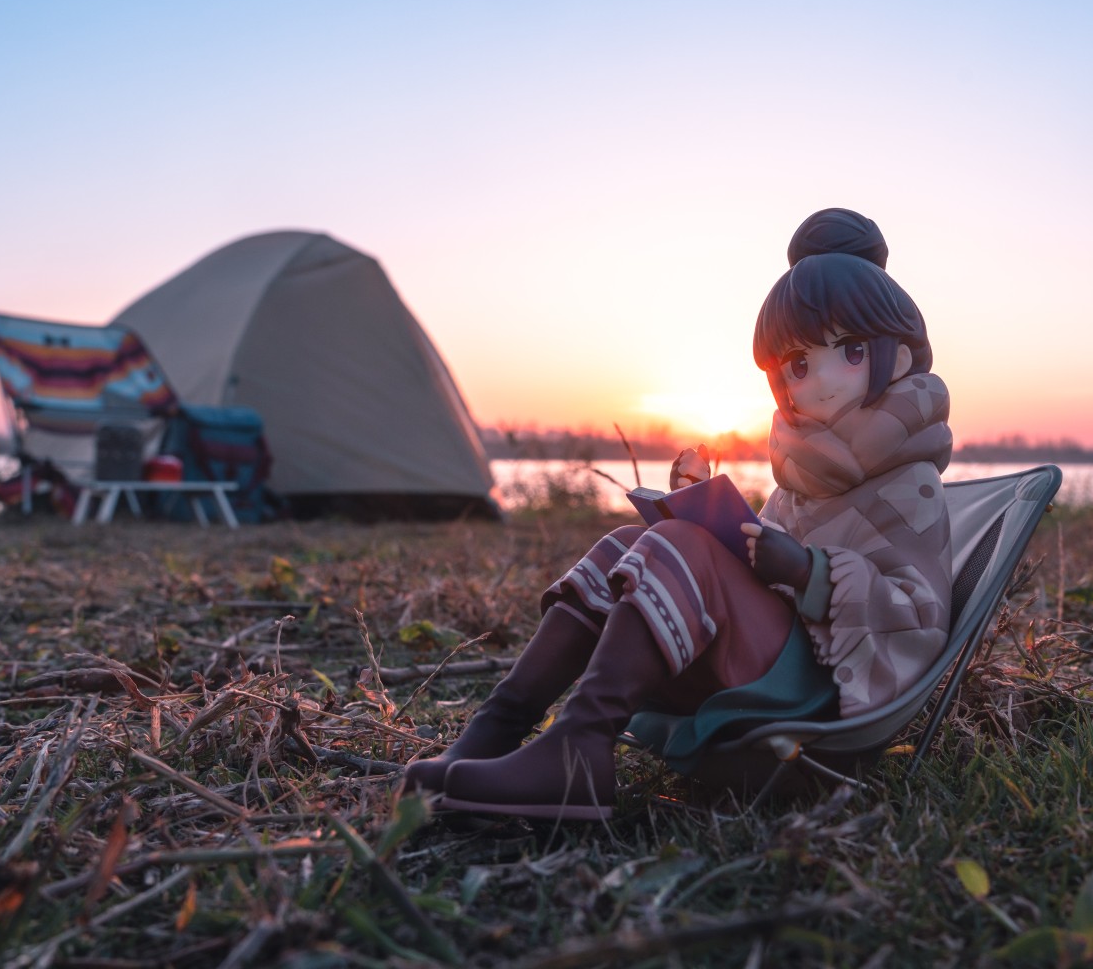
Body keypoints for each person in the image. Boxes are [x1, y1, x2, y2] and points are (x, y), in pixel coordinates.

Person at [403, 208, 953, 819]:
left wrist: (809, 572)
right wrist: (708, 511)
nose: (818, 381)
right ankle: (499, 726)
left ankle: (582, 744)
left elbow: (918, 617)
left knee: (684, 546)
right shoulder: (807, 476)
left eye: (850, 351)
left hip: (824, 696)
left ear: (897, 357)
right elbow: (761, 572)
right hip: (774, 663)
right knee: (627, 542)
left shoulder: (908, 485)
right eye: (798, 364)